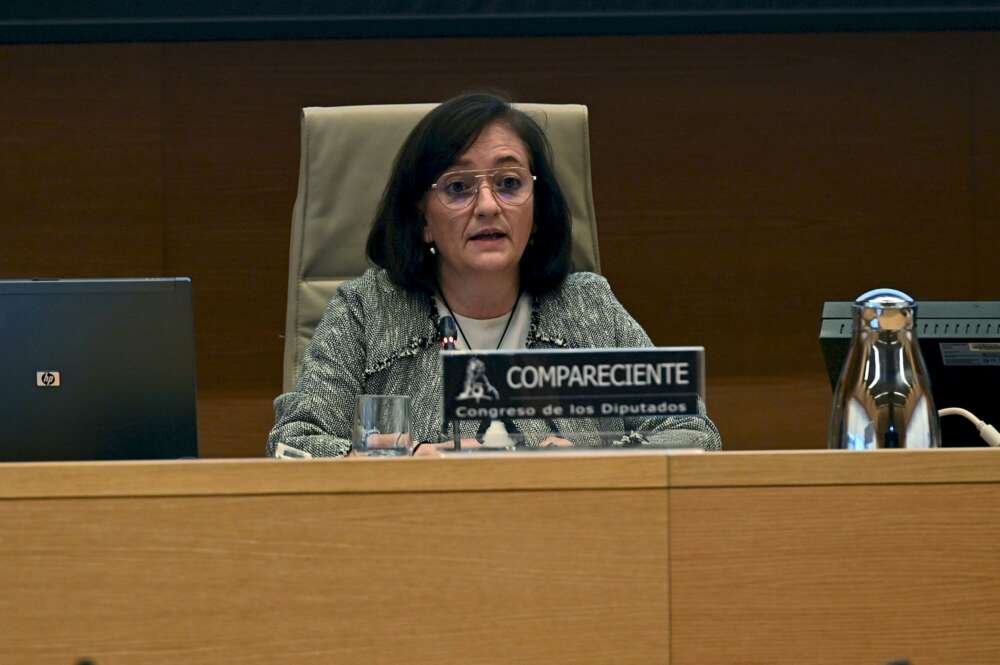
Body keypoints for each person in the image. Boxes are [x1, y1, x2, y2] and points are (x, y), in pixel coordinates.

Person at [267, 92, 721, 457]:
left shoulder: (587, 307)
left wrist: (591, 454)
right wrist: (397, 466)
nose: (488, 206)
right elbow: (292, 444)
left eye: (508, 183)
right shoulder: (367, 312)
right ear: (422, 218)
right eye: (459, 187)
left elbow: (694, 435)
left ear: (537, 209)